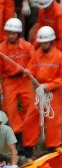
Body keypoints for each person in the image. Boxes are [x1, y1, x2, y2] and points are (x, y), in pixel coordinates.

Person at [0, 17, 36, 145]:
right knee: (10, 110)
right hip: (9, 81)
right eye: (9, 33)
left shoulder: (27, 46)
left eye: (13, 33)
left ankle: (25, 130)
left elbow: (34, 61)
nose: (11, 36)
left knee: (32, 107)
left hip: (24, 80)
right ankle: (18, 137)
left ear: (18, 34)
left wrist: (29, 69)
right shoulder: (0, 49)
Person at [23, 25, 62, 156]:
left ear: (51, 41)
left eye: (46, 42)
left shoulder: (59, 56)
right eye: (42, 42)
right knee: (30, 118)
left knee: (53, 121)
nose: (44, 44)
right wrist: (27, 72)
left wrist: (49, 86)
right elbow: (32, 68)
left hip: (53, 94)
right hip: (40, 93)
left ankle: (53, 146)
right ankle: (28, 147)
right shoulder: (37, 54)